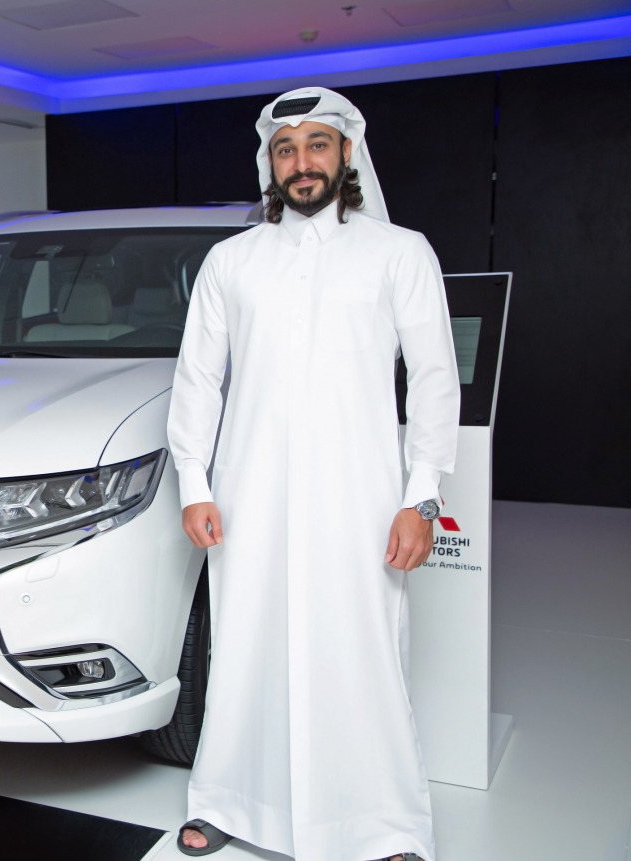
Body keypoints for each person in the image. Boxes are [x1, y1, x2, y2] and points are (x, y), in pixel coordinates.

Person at [167, 86, 460, 861]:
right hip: (248, 496)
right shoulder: (231, 261)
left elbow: (434, 379)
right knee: (245, 649)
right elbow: (199, 379)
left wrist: (421, 499)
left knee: (363, 652)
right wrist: (195, 483)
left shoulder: (401, 252)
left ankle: (385, 827)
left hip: (362, 498)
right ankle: (230, 801)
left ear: (347, 154)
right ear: (270, 163)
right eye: (286, 148)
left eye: (316, 145)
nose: (302, 162)